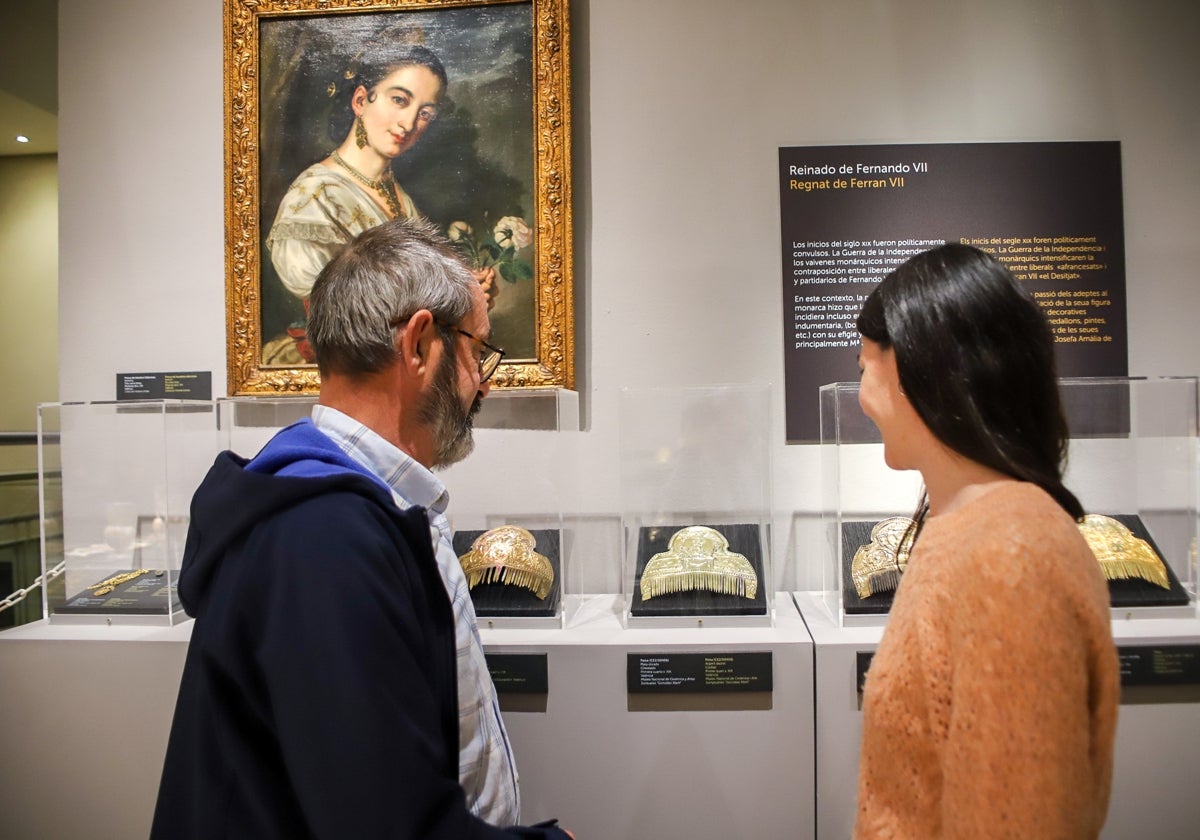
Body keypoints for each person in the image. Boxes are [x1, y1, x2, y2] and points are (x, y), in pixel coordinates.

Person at [151, 217, 570, 839]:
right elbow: (382, 821)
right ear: (421, 343)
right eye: (478, 350)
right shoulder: (324, 538)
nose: (483, 380)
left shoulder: (352, 509)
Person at [851, 243, 1119, 838]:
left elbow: (1020, 819)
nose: (860, 383)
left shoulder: (1013, 557)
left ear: (918, 364)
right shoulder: (970, 532)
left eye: (867, 359)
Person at [263, 43, 496, 364]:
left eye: (425, 113)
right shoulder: (313, 198)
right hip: (348, 367)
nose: (408, 123)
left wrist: (467, 295)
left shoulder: (398, 195)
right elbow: (350, 320)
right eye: (399, 100)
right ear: (361, 100)